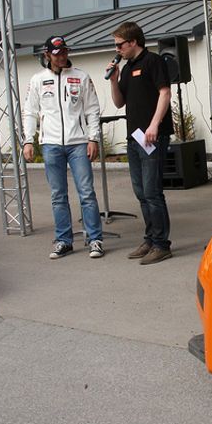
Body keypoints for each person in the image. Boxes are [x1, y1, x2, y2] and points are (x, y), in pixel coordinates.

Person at [22, 36, 105, 259]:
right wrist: (28, 140)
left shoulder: (82, 77)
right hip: (50, 144)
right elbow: (29, 112)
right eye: (57, 54)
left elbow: (92, 110)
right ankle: (63, 240)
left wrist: (93, 138)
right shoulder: (38, 80)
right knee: (58, 195)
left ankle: (95, 238)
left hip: (78, 143)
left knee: (86, 193)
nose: (62, 57)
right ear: (47, 55)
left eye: (64, 52)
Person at [107, 21, 173, 265]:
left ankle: (161, 244)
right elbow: (118, 103)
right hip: (134, 138)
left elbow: (164, 93)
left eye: (119, 45)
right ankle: (150, 238)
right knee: (141, 192)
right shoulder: (126, 67)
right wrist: (114, 80)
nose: (117, 50)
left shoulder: (153, 61)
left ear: (133, 41)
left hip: (152, 135)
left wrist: (154, 125)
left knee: (153, 191)